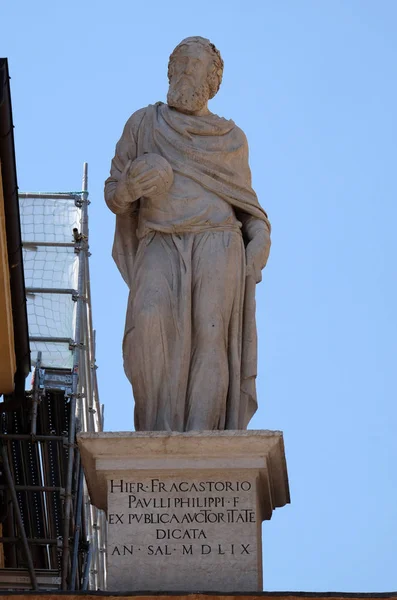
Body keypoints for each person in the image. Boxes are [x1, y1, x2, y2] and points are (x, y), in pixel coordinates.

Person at [104, 36, 271, 431]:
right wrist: (130, 187)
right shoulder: (144, 123)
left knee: (211, 330)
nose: (182, 71)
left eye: (192, 65)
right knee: (148, 321)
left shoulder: (231, 139)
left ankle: (202, 434)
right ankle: (156, 430)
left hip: (218, 239)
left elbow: (249, 208)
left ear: (212, 81)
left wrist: (261, 235)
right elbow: (114, 194)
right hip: (158, 238)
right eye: (177, 64)